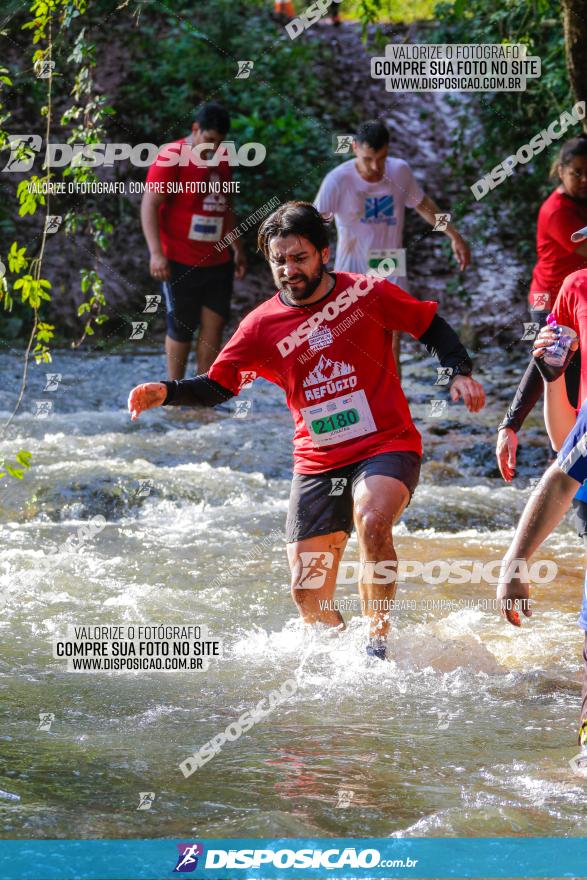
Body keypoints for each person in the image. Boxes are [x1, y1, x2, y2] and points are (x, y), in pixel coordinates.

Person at [128, 202, 485, 660]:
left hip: (385, 444)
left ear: (324, 254)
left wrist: (458, 372)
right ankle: (343, 661)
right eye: (279, 260)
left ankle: (376, 647)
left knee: (373, 519)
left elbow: (429, 325)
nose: (288, 270)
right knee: (307, 594)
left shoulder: (367, 294)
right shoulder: (260, 326)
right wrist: (166, 390)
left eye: (299, 258)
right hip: (318, 462)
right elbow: (219, 386)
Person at [314, 119, 471, 374]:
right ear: (354, 148)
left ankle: (393, 397)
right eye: (368, 159)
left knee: (392, 337)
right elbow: (314, 223)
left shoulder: (399, 172)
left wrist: (455, 236)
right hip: (352, 265)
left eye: (382, 158)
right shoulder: (338, 180)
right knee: (354, 336)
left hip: (388, 261)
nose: (376, 167)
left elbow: (422, 204)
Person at [496, 134, 587, 483]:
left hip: (580, 297)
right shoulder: (557, 210)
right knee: (551, 367)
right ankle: (559, 465)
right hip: (551, 300)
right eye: (575, 172)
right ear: (560, 171)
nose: (583, 180)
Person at [141, 102, 246, 381]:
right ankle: (175, 390)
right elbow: (149, 205)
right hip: (178, 259)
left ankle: (202, 391)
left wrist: (237, 247)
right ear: (195, 129)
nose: (213, 147)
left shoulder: (223, 159)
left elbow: (226, 205)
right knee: (181, 326)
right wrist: (156, 253)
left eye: (219, 141)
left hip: (218, 260)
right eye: (209, 140)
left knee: (214, 325)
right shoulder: (172, 157)